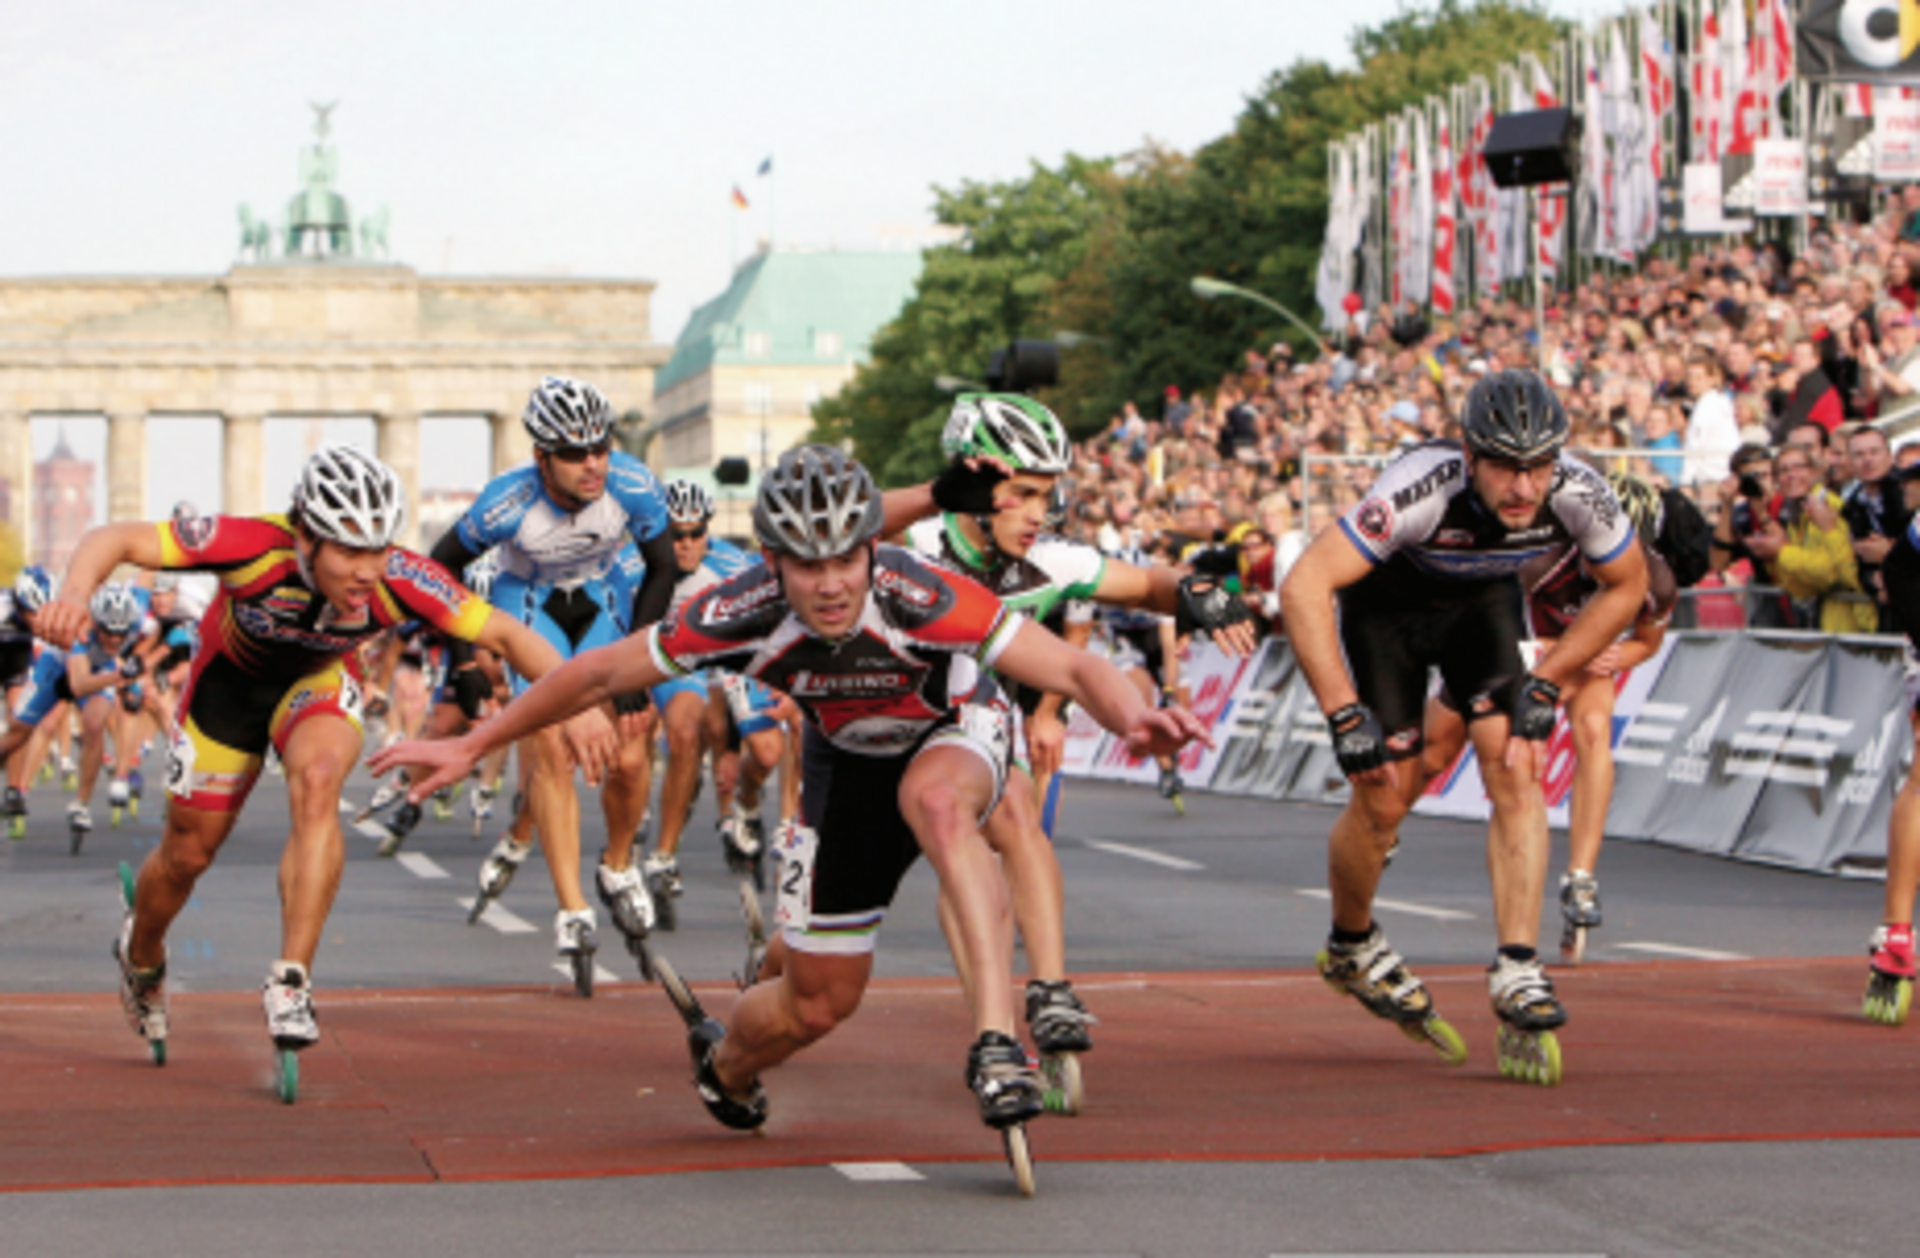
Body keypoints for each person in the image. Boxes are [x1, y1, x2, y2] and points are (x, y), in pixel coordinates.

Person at [372, 444, 1208, 1137]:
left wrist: (1136, 717)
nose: (833, 584)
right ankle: (725, 1064)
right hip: (846, 772)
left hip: (953, 734)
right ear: (772, 563)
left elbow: (1070, 663)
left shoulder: (915, 590)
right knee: (813, 1008)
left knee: (946, 807)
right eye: (808, 566)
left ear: (872, 550)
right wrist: (477, 741)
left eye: (847, 558)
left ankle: (997, 1040)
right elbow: (595, 672)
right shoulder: (738, 608)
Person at [37, 445, 612, 1071]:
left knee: (317, 783)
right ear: (306, 537)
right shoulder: (253, 543)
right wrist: (73, 593)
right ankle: (141, 953)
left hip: (314, 684)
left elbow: (505, 634)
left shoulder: (402, 577)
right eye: (349, 550)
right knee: (188, 856)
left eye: (379, 548)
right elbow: (114, 537)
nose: (368, 570)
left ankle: (291, 980)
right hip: (227, 694)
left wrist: (576, 701)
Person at [1279, 369, 1647, 1085]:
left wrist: (1548, 678)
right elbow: (1304, 583)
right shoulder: (1422, 485)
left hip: (1483, 604)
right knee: (1383, 795)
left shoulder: (1578, 488)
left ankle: (1518, 965)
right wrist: (1342, 711)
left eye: (1538, 466)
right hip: (1388, 610)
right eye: (1506, 466)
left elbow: (1627, 583)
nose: (1523, 486)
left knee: (1516, 761)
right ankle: (1351, 943)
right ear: (1471, 456)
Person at [900, 393, 1256, 1100]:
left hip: (970, 721)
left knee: (1014, 814)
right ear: (973, 485)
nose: (1040, 512)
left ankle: (1045, 994)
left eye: (1049, 495)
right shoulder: (909, 550)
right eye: (1024, 494)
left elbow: (1147, 584)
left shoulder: (1046, 558)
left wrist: (1203, 595)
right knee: (814, 975)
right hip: (876, 729)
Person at [427, 375, 677, 969]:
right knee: (546, 740)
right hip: (529, 601)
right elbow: (439, 568)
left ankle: (618, 864)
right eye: (573, 454)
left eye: (601, 446)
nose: (593, 464)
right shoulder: (505, 501)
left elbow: (663, 568)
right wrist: (460, 658)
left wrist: (639, 663)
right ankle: (572, 907)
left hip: (604, 595)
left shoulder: (634, 482)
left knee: (633, 745)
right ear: (541, 457)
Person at [1418, 472, 1679, 966]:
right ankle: (1387, 819)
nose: (1614, 565)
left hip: (1581, 658)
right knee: (1435, 749)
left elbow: (1648, 641)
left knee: (1595, 730)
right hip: (1520, 649)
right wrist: (1564, 651)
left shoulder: (1656, 579)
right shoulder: (1541, 560)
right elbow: (1492, 636)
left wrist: (1618, 656)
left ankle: (1581, 877)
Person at [639, 479, 788, 910]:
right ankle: (637, 818)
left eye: (695, 533)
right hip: (640, 658)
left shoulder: (733, 566)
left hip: (700, 667)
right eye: (675, 535)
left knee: (692, 729)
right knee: (632, 742)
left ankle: (666, 854)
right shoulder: (632, 564)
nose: (685, 545)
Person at [1746, 445, 1876, 633]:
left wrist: (1783, 551)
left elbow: (1830, 573)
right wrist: (1775, 555)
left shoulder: (1828, 506)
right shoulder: (1796, 515)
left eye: (1799, 467)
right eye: (1783, 470)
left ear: (1815, 472)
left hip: (1852, 624)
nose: (1791, 475)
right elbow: (1797, 586)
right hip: (1823, 625)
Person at [1841, 424, 1912, 633]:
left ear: (1890, 456)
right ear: (1851, 463)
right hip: (1891, 611)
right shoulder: (1852, 507)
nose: (1867, 460)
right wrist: (1875, 581)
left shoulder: (1910, 492)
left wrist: (1891, 554)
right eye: (1859, 454)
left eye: (1874, 452)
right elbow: (1860, 564)